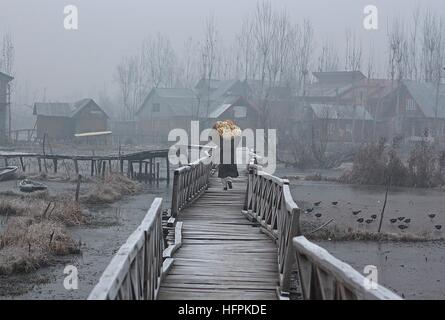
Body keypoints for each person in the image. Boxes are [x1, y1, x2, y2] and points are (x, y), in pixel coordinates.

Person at [213, 120, 240, 190]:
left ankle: (224, 187)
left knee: (222, 172)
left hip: (223, 156)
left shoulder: (220, 135)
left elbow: (213, 138)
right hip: (232, 156)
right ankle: (229, 180)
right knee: (231, 171)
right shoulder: (234, 134)